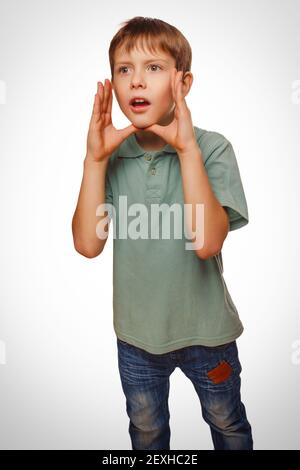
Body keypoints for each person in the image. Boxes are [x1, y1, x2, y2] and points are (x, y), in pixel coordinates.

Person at [71, 16, 253, 450]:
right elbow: (87, 244)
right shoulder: (114, 158)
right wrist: (94, 162)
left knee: (227, 426)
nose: (136, 82)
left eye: (153, 68)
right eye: (124, 69)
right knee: (147, 433)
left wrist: (186, 149)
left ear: (183, 82)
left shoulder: (211, 148)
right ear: (112, 83)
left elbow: (207, 242)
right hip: (136, 340)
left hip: (208, 338)